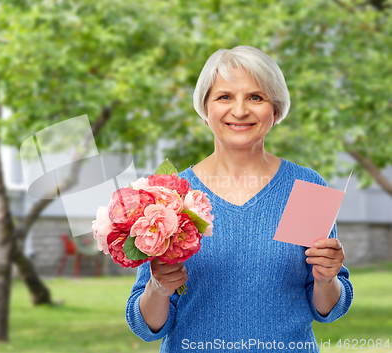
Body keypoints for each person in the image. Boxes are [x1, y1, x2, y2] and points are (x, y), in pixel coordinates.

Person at [125, 46, 353, 352]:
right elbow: (147, 328)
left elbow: (328, 310)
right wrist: (158, 288)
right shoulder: (170, 195)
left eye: (256, 97)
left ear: (275, 111)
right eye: (224, 97)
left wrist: (327, 280)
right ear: (205, 109)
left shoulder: (306, 187)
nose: (240, 110)